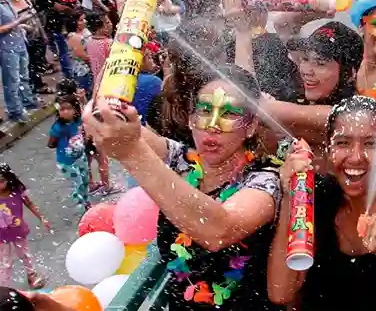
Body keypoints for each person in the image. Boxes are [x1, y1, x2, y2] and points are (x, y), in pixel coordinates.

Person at [82, 65, 283, 311]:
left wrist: (132, 154)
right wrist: (108, 96)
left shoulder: (264, 181)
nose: (213, 125)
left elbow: (220, 229)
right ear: (190, 118)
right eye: (205, 110)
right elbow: (120, 126)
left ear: (250, 126)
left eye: (229, 113)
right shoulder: (181, 160)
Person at [268, 96, 376, 311]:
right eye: (342, 143)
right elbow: (280, 292)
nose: (355, 157)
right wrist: (290, 197)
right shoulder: (315, 197)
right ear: (329, 148)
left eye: (370, 144)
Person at [0, 164, 49, 288]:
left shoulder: (17, 191)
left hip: (18, 230)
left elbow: (30, 204)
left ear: (8, 179)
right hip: (1, 236)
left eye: (0, 181)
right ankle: (4, 287)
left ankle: (31, 276)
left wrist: (42, 218)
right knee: (6, 262)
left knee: (25, 254)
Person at [0, 0, 38, 123]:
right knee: (12, 80)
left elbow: (13, 23)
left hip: (19, 43)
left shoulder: (6, 2)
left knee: (24, 75)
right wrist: (18, 22)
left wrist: (23, 26)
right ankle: (15, 110)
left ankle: (27, 102)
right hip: (7, 48)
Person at [47, 90, 90, 212]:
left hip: (80, 157)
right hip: (66, 162)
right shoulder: (57, 127)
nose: (65, 111)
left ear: (75, 109)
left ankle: (86, 202)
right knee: (79, 183)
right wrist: (65, 141)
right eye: (62, 109)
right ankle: (81, 206)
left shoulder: (77, 121)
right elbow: (50, 144)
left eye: (69, 108)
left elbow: (86, 115)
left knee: (85, 181)